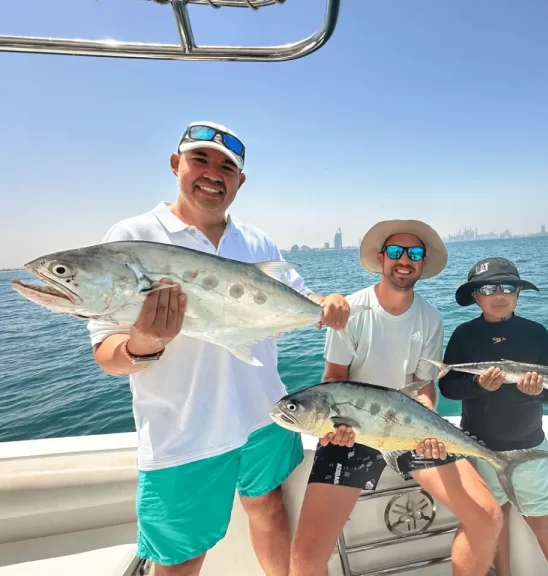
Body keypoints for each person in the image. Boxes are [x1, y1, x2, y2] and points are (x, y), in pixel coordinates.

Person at [87, 121, 351, 576]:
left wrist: (324, 304)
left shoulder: (256, 241)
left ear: (240, 180)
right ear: (176, 165)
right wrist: (144, 344)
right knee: (180, 557)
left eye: (227, 166)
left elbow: (298, 301)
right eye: (200, 159)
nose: (213, 173)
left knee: (268, 508)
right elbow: (106, 352)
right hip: (184, 432)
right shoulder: (132, 237)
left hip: (265, 414)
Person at [288, 220, 503, 576]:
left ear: (422, 263)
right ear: (381, 258)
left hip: (408, 431)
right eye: (396, 251)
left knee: (487, 518)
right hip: (350, 434)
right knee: (305, 558)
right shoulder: (352, 311)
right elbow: (334, 381)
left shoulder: (431, 318)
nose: (405, 259)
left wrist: (429, 424)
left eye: (415, 253)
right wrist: (333, 430)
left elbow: (423, 386)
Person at [438, 257, 548, 576]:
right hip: (479, 447)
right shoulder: (464, 335)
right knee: (494, 518)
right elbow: (448, 387)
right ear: (475, 296)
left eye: (508, 287)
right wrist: (479, 385)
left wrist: (536, 392)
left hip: (529, 447)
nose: (499, 294)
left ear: (518, 293)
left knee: (543, 522)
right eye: (488, 287)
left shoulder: (537, 334)